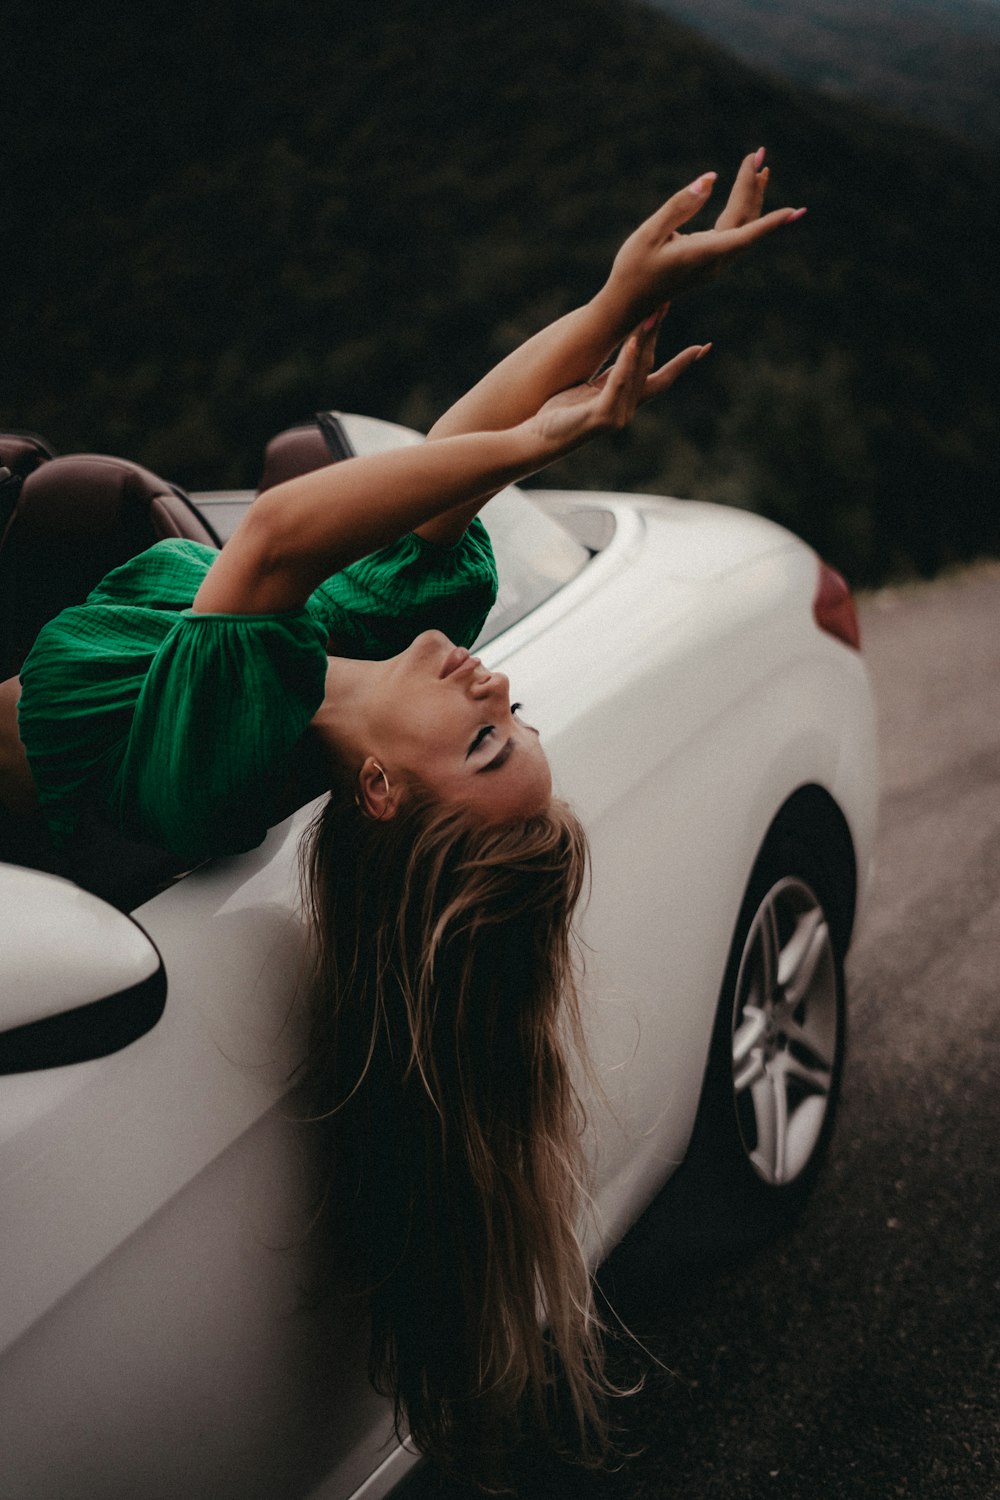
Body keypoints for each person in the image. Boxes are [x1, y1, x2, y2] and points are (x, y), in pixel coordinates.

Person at [0, 153, 803, 1477]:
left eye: (482, 739)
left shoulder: (232, 753)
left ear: (377, 789)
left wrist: (548, 442)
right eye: (516, 718)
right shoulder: (360, 643)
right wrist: (612, 305)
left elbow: (276, 537)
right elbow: (436, 458)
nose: (494, 686)